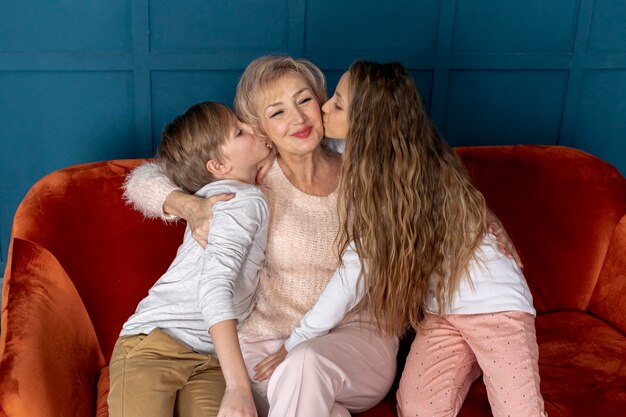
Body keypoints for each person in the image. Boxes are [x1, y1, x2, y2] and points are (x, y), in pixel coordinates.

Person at [122, 56, 400, 417]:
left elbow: (427, 173)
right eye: (277, 112)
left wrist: (479, 214)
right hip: (266, 349)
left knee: (306, 364)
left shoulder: (361, 168)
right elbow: (145, 179)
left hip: (355, 342)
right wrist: (188, 205)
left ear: (322, 102)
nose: (298, 119)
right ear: (258, 128)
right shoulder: (248, 180)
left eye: (304, 100)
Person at [319, 61, 547, 417]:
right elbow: (278, 144)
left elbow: (355, 270)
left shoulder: (407, 174)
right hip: (441, 313)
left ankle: (483, 352)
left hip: (494, 308)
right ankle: (473, 356)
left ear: (368, 125)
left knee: (519, 411)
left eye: (337, 103)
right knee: (416, 408)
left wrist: (301, 337)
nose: (324, 107)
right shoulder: (356, 152)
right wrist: (196, 202)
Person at [108, 101, 272, 417]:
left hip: (207, 357)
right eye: (240, 131)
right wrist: (238, 387)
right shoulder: (240, 199)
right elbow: (214, 287)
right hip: (154, 346)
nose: (255, 128)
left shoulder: (233, 188)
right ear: (218, 166)